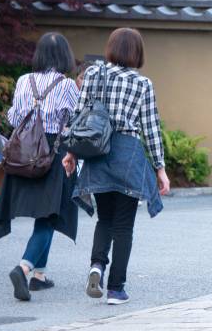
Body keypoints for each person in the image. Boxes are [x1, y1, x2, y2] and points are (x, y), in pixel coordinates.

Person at [63, 28, 170, 305]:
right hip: (128, 155)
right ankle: (116, 289)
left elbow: (80, 116)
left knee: (104, 219)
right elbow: (151, 128)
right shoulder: (142, 84)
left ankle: (96, 266)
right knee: (124, 225)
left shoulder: (93, 75)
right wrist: (160, 168)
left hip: (98, 152)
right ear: (137, 53)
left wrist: (71, 152)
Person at [0, 33, 80, 301]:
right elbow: (76, 119)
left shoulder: (23, 81)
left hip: (25, 152)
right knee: (50, 215)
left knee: (45, 214)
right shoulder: (66, 85)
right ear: (64, 55)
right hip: (53, 153)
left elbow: (13, 116)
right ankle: (24, 267)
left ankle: (39, 275)